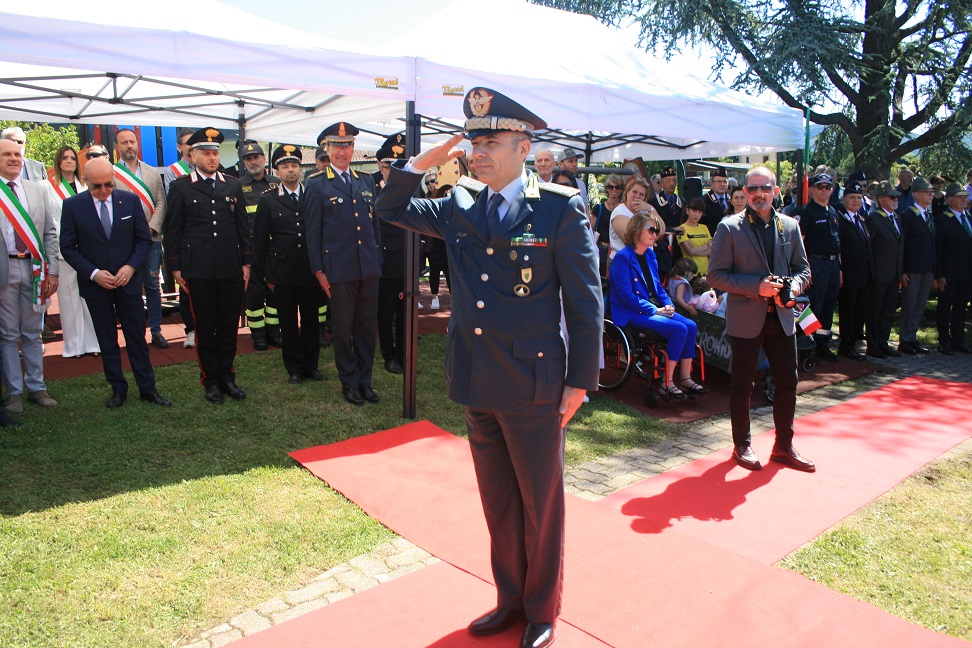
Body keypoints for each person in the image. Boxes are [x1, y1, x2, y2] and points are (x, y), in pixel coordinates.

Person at [375, 87, 602, 648]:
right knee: (498, 501)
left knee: (540, 505)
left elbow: (585, 301)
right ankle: (508, 600)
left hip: (532, 382)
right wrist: (426, 159)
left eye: (490, 141)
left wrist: (581, 380)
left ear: (524, 146)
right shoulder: (459, 203)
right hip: (476, 375)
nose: (477, 151)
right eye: (473, 140)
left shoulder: (558, 206)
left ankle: (542, 609)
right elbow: (389, 208)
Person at [708, 166, 814, 473]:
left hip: (781, 317)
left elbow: (803, 270)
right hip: (745, 317)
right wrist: (756, 287)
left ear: (776, 191)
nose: (758, 194)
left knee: (788, 383)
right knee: (742, 385)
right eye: (751, 189)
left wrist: (794, 285)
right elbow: (715, 275)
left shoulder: (790, 226)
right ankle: (742, 445)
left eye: (764, 188)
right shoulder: (729, 228)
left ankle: (784, 445)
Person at [58, 158, 171, 408]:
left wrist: (131, 267)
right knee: (107, 339)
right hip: (96, 285)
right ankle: (118, 389)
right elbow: (68, 247)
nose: (103, 191)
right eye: (96, 186)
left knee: (136, 337)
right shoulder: (73, 206)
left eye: (108, 185)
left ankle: (148, 388)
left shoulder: (129, 201)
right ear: (85, 181)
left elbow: (144, 240)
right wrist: (94, 272)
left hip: (128, 282)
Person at [164, 127, 252, 404]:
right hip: (198, 269)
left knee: (227, 327)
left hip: (229, 267)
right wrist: (175, 267)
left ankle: (228, 377)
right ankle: (210, 380)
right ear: (193, 155)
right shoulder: (180, 186)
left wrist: (246, 262)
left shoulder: (232, 184)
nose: (212, 158)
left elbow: (242, 227)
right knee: (205, 328)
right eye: (206, 153)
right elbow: (173, 229)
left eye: (215, 153)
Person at [305, 122, 382, 406]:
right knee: (342, 329)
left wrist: (378, 262)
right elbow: (312, 232)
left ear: (353, 149)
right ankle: (349, 382)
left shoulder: (365, 181)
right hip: (338, 270)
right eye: (337, 146)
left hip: (368, 267)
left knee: (365, 328)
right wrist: (318, 270)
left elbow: (374, 228)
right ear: (328, 149)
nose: (342, 151)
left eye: (347, 146)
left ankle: (366, 381)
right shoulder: (316, 185)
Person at [611, 210, 706, 399]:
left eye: (656, 230)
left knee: (691, 326)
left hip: (652, 307)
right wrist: (655, 309)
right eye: (651, 229)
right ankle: (666, 383)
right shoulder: (622, 258)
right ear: (637, 230)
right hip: (631, 311)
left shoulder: (650, 256)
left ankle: (685, 378)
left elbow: (658, 288)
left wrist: (668, 305)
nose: (655, 234)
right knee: (679, 329)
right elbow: (625, 295)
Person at [253, 145, 324, 384]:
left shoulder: (313, 196)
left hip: (310, 270)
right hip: (282, 271)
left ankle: (311, 366)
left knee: (312, 320)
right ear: (277, 171)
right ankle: (294, 367)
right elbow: (260, 241)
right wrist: (266, 274)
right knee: (288, 322)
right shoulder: (268, 201)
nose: (291, 170)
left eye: (294, 165)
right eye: (285, 166)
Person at [0, 139, 59, 414]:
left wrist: (53, 270)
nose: (14, 158)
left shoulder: (36, 189)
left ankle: (37, 387)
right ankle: (13, 393)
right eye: (7, 154)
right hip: (5, 269)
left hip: (35, 269)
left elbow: (49, 232)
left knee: (33, 332)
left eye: (17, 154)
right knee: (8, 334)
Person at [113, 128, 169, 349]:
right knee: (130, 288)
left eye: (132, 141)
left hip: (151, 239)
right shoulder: (112, 172)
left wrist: (152, 228)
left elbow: (161, 202)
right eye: (124, 142)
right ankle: (135, 332)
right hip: (125, 241)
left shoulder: (152, 172)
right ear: (117, 147)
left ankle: (156, 331)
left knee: (153, 286)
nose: (129, 146)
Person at [47, 145, 101, 359]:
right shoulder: (47, 187)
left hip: (87, 249)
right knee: (69, 299)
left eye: (72, 158)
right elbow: (49, 220)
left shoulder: (85, 185)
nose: (69, 161)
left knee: (89, 298)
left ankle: (93, 342)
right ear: (58, 162)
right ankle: (74, 346)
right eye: (65, 158)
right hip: (64, 250)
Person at [237, 141, 282, 351]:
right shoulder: (238, 186)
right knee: (255, 293)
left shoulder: (276, 183)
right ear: (244, 162)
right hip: (252, 247)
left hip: (275, 248)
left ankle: (274, 330)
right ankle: (258, 334)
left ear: (264, 159)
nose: (252, 161)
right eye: (248, 158)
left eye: (256, 157)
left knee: (275, 290)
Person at [796, 172, 841, 362]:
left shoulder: (833, 211)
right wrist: (805, 271)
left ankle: (822, 344)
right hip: (815, 264)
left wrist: (840, 269)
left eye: (828, 187)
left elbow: (837, 242)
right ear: (813, 189)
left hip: (832, 264)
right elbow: (799, 244)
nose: (824, 190)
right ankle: (806, 347)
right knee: (813, 306)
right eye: (820, 187)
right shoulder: (806, 212)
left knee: (829, 306)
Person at [374, 133, 408, 374]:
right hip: (386, 263)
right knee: (386, 313)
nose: (392, 171)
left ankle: (406, 355)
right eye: (387, 166)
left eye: (399, 167)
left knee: (406, 312)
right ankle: (390, 355)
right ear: (380, 166)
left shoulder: (413, 191)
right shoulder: (373, 192)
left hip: (409, 263)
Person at [163, 127, 197, 349]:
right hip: (185, 237)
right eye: (187, 144)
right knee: (188, 288)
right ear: (179, 147)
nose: (191, 148)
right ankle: (191, 330)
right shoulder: (172, 172)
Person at [865, 181, 905, 358]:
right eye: (892, 197)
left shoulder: (896, 217)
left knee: (888, 310)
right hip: (879, 275)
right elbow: (869, 248)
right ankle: (873, 345)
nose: (896, 200)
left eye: (896, 197)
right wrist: (872, 274)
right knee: (875, 311)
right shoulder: (874, 218)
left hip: (893, 273)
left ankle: (883, 342)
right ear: (881, 199)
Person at [897, 176, 936, 355]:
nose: (931, 195)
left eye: (931, 193)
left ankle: (912, 337)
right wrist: (903, 270)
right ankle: (904, 339)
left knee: (919, 305)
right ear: (917, 195)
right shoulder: (907, 215)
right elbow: (902, 245)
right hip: (912, 269)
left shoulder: (929, 215)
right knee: (909, 304)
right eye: (927, 193)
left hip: (927, 268)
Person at [934, 183, 972, 355]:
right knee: (945, 307)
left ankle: (959, 339)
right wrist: (939, 274)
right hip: (949, 274)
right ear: (950, 200)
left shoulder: (969, 217)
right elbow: (938, 250)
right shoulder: (942, 220)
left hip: (966, 272)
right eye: (960, 197)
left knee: (960, 307)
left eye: (965, 196)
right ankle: (943, 340)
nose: (964, 199)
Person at [835, 179, 870, 361]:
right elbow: (838, 247)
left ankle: (853, 343)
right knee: (848, 312)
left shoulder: (861, 219)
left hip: (863, 275)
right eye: (852, 197)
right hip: (849, 275)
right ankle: (846, 345)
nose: (856, 201)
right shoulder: (839, 218)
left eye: (859, 197)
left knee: (859, 312)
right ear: (844, 199)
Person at [608, 176, 653, 259]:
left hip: (643, 260)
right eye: (634, 192)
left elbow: (661, 230)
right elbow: (631, 239)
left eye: (641, 194)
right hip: (623, 262)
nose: (637, 196)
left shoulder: (645, 212)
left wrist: (651, 208)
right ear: (627, 192)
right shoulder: (619, 212)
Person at [677, 197, 712, 274]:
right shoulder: (681, 229)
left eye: (700, 212)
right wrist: (706, 246)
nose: (697, 215)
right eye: (694, 211)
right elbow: (690, 251)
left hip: (706, 271)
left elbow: (712, 249)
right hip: (690, 273)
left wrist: (696, 249)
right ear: (687, 211)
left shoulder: (704, 227)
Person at [702, 166, 730, 234]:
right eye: (719, 181)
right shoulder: (703, 201)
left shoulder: (732, 200)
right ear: (711, 183)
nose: (722, 184)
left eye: (725, 181)